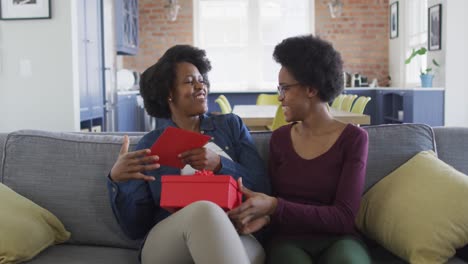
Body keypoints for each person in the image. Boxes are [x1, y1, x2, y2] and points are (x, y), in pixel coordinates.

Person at [107, 45, 270, 264]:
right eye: (189, 81)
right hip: (169, 242)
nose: (200, 85)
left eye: (201, 79)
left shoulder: (230, 126)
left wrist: (220, 165)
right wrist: (119, 181)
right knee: (204, 210)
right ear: (169, 93)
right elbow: (135, 227)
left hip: (236, 232)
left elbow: (262, 188)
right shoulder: (151, 144)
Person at [228, 35, 371, 264]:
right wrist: (263, 217)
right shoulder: (280, 139)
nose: (279, 97)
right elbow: (276, 202)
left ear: (311, 89)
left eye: (285, 88)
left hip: (339, 238)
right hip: (288, 239)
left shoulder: (354, 139)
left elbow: (343, 218)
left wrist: (275, 206)